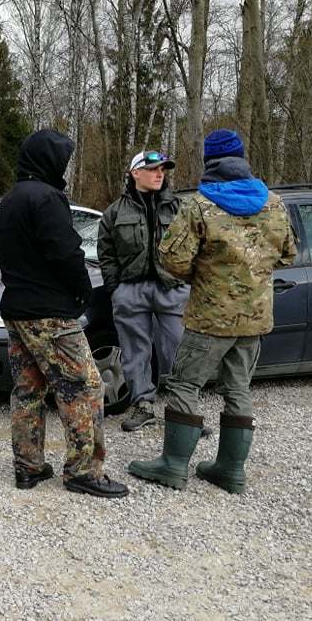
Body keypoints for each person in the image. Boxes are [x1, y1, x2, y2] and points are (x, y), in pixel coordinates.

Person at [128, 130, 297, 493]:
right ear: (242, 158)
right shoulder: (274, 204)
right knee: (238, 388)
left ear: (209, 161)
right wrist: (252, 272)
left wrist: (206, 274)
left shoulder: (199, 206)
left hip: (209, 318)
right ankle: (231, 470)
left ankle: (173, 465)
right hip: (253, 319)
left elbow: (172, 260)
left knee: (185, 383)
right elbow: (288, 254)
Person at [0, 130, 128, 498]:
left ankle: (28, 466)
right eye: (62, 160)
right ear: (48, 161)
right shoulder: (47, 198)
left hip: (17, 310)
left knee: (28, 389)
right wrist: (83, 290)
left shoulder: (10, 200)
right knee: (86, 387)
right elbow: (66, 252)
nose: (65, 167)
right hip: (49, 313)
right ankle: (83, 471)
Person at [96, 151, 189, 432]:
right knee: (135, 352)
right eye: (153, 169)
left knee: (180, 349)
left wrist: (187, 281)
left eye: (163, 169)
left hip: (172, 289)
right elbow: (106, 253)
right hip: (131, 291)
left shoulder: (179, 208)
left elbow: (194, 248)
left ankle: (184, 411)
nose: (160, 174)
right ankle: (143, 405)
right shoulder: (114, 212)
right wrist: (116, 289)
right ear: (135, 173)